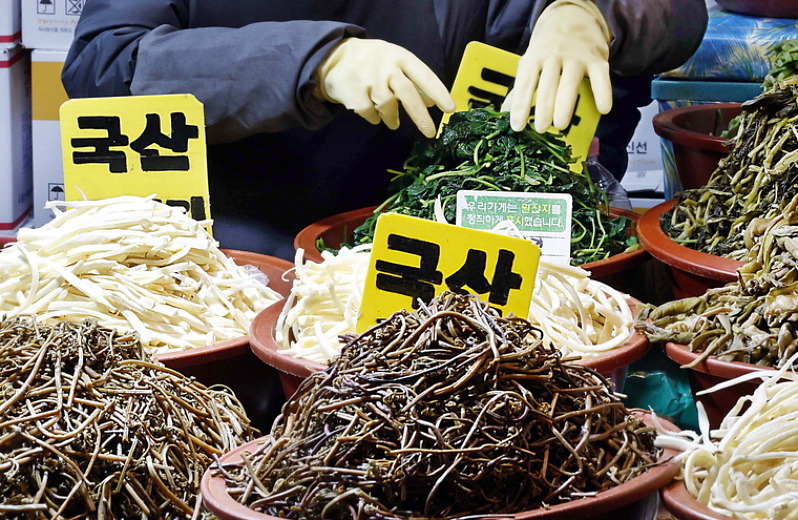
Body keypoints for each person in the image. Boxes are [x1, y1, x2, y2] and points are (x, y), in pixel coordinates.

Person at [62, 0, 707, 258]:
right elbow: (102, 61)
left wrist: (588, 13)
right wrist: (315, 63)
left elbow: (678, 14)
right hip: (238, 251)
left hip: (435, 242)